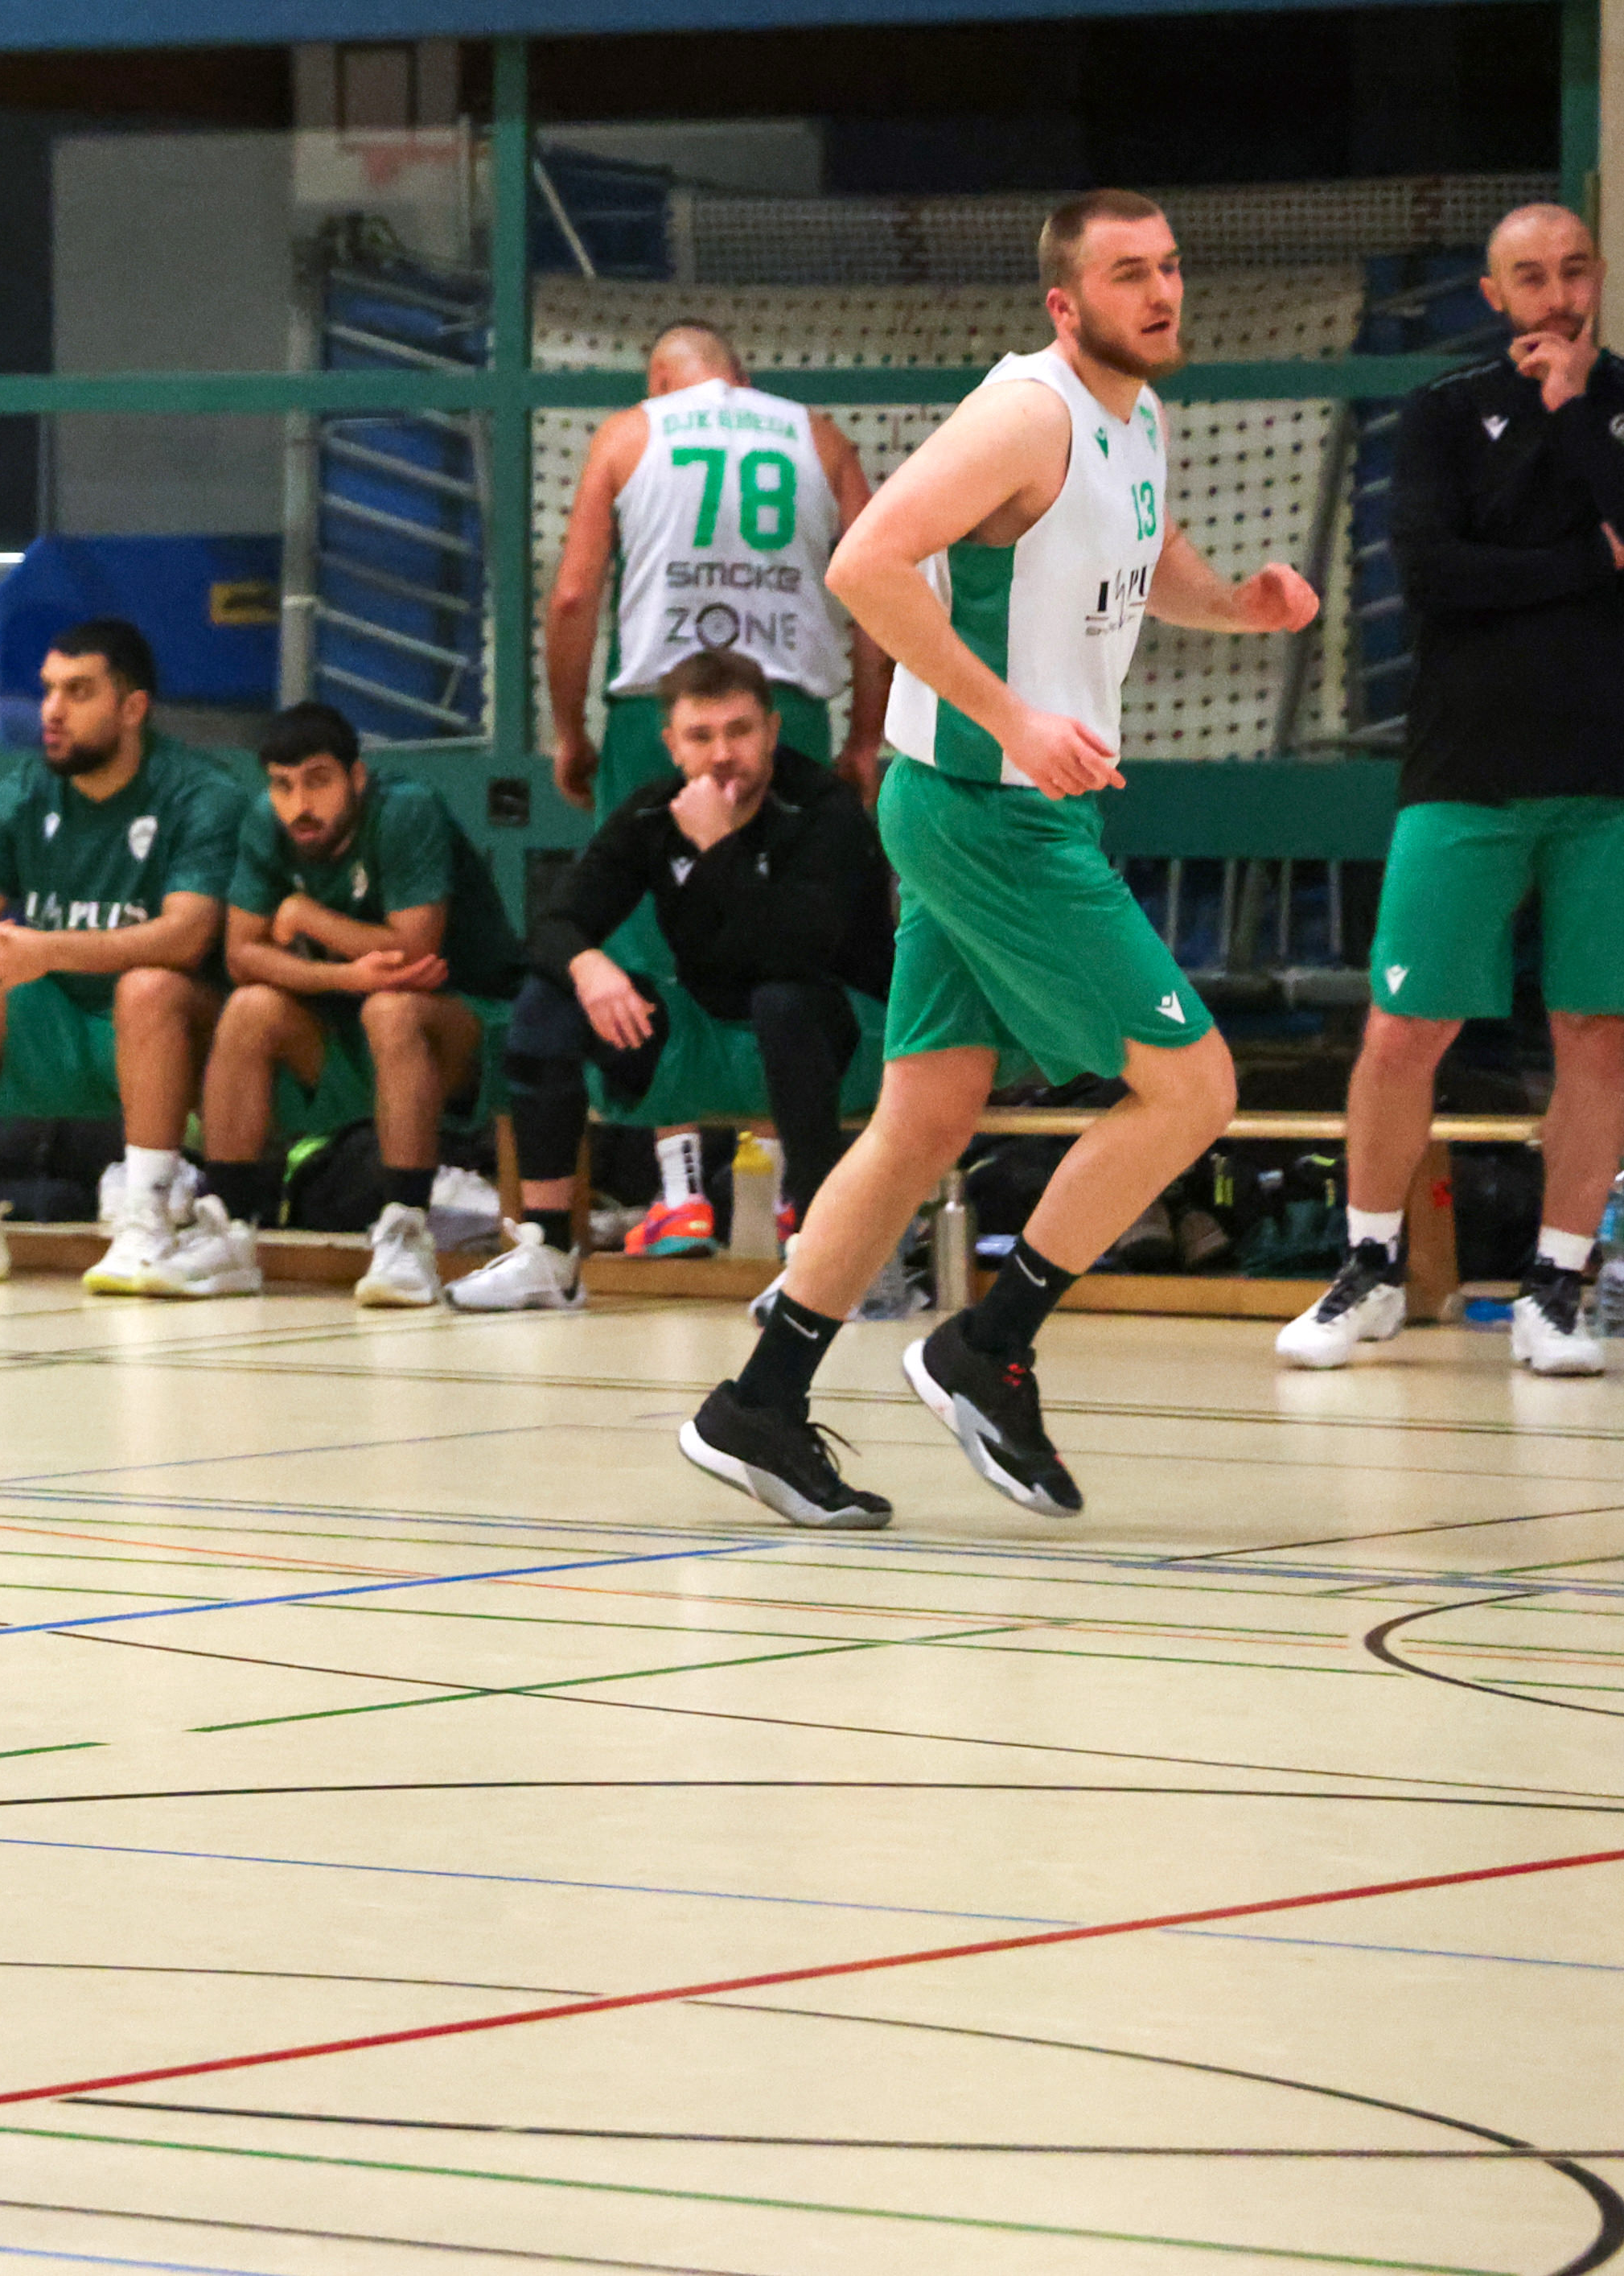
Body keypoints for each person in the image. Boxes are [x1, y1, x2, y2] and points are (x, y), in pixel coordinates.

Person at [680, 191, 1318, 1529]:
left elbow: (1140, 555)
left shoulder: (1137, 416)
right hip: (988, 806)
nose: (1161, 291)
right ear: (1063, 302)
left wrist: (1232, 606)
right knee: (1192, 1086)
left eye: (1169, 266)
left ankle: (759, 1399)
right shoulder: (1027, 412)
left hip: (1000, 803)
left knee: (923, 1117)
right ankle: (988, 1341)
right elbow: (867, 562)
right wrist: (1013, 715)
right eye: (1128, 273)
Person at [1277, 201, 1624, 1377]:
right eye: (1529, 276)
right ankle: (1370, 1270)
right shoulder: (1439, 412)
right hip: (1462, 772)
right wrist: (1586, 561)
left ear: (1597, 276)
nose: (1555, 296)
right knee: (1402, 1029)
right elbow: (1431, 572)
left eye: (1572, 271)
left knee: (1596, 1034)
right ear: (1492, 295)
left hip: (1607, 781)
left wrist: (1573, 414)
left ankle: (1555, 1289)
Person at [545, 321, 890, 1255]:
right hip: (781, 708)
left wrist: (569, 728)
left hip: (661, 712)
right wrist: (863, 734)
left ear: (660, 380)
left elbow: (573, 594)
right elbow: (874, 587)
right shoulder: (816, 436)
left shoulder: (629, 433)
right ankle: (782, 1192)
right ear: (742, 374)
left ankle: (679, 1198)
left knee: (650, 935)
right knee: (779, 941)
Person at [451, 647, 889, 1315]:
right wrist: (588, 966)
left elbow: (796, 950)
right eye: (700, 736)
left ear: (772, 731)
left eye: (739, 731)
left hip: (846, 1038)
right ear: (671, 746)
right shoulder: (654, 814)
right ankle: (549, 1253)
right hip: (710, 1033)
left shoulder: (825, 810)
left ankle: (819, 1258)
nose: (722, 754)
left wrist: (718, 848)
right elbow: (554, 925)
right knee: (547, 999)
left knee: (784, 1001)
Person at [0, 617, 248, 1292]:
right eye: (46, 690)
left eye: (78, 691)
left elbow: (187, 936)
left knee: (147, 987)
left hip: (180, 1031)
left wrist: (45, 950)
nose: (51, 711)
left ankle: (147, 1222)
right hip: (61, 1023)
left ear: (132, 708)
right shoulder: (25, 791)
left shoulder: (199, 792)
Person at [183, 702, 520, 1306]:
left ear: (356, 777)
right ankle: (227, 1229)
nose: (299, 804)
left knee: (391, 1008)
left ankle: (406, 1235)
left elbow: (414, 951)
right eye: (282, 785)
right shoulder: (267, 823)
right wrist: (344, 975)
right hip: (349, 1018)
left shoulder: (406, 810)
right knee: (249, 1007)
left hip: (468, 1022)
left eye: (318, 781)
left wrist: (306, 915)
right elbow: (241, 954)